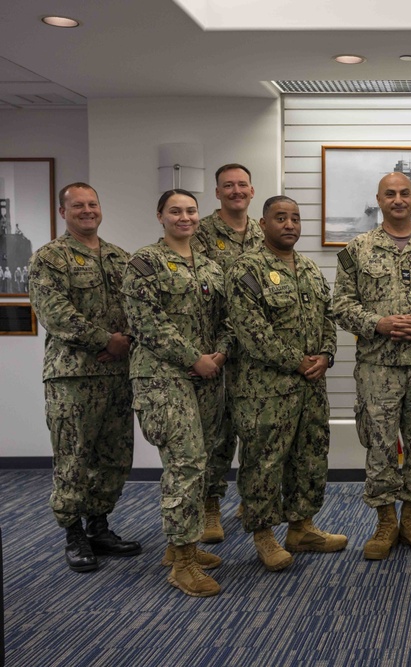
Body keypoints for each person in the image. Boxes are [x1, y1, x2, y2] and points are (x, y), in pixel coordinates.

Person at [332, 172, 411, 560]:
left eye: (405, 193)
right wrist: (378, 324)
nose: (398, 199)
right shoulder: (357, 249)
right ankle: (385, 522)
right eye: (390, 194)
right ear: (379, 199)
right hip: (378, 367)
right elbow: (340, 304)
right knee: (380, 446)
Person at [227, 195, 347, 572]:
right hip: (266, 390)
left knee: (310, 456)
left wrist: (326, 355)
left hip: (310, 387)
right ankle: (264, 535)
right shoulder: (245, 270)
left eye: (295, 218)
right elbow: (252, 332)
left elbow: (328, 318)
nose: (290, 224)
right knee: (264, 461)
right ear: (262, 224)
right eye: (281, 218)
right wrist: (298, 362)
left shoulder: (310, 269)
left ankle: (302, 526)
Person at [28, 183, 141, 573]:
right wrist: (106, 340)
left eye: (93, 203)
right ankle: (73, 534)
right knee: (73, 457)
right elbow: (55, 313)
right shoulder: (49, 258)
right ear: (64, 212)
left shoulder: (119, 257)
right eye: (78, 205)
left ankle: (99, 526)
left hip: (117, 375)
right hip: (73, 378)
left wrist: (125, 341)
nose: (87, 210)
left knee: (114, 456)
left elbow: (139, 307)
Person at [122, 189, 228, 596]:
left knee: (201, 462)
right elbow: (146, 323)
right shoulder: (144, 263)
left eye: (190, 211)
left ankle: (179, 545)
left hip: (206, 375)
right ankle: (182, 564)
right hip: (162, 378)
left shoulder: (210, 266)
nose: (184, 217)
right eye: (175, 211)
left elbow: (226, 318)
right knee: (185, 462)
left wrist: (219, 352)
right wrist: (193, 358)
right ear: (160, 216)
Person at [190, 163, 263, 543]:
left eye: (242, 185)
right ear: (217, 193)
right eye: (228, 186)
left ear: (252, 191)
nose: (236, 191)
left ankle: (250, 500)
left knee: (255, 431)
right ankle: (210, 507)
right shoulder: (199, 232)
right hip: (215, 350)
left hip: (254, 352)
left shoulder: (262, 231)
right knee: (216, 435)